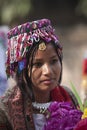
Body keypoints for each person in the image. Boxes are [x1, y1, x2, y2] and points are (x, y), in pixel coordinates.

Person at [0, 19, 80, 130]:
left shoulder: (68, 96)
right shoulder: (5, 110)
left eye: (53, 61)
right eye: (37, 64)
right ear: (21, 69)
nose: (47, 71)